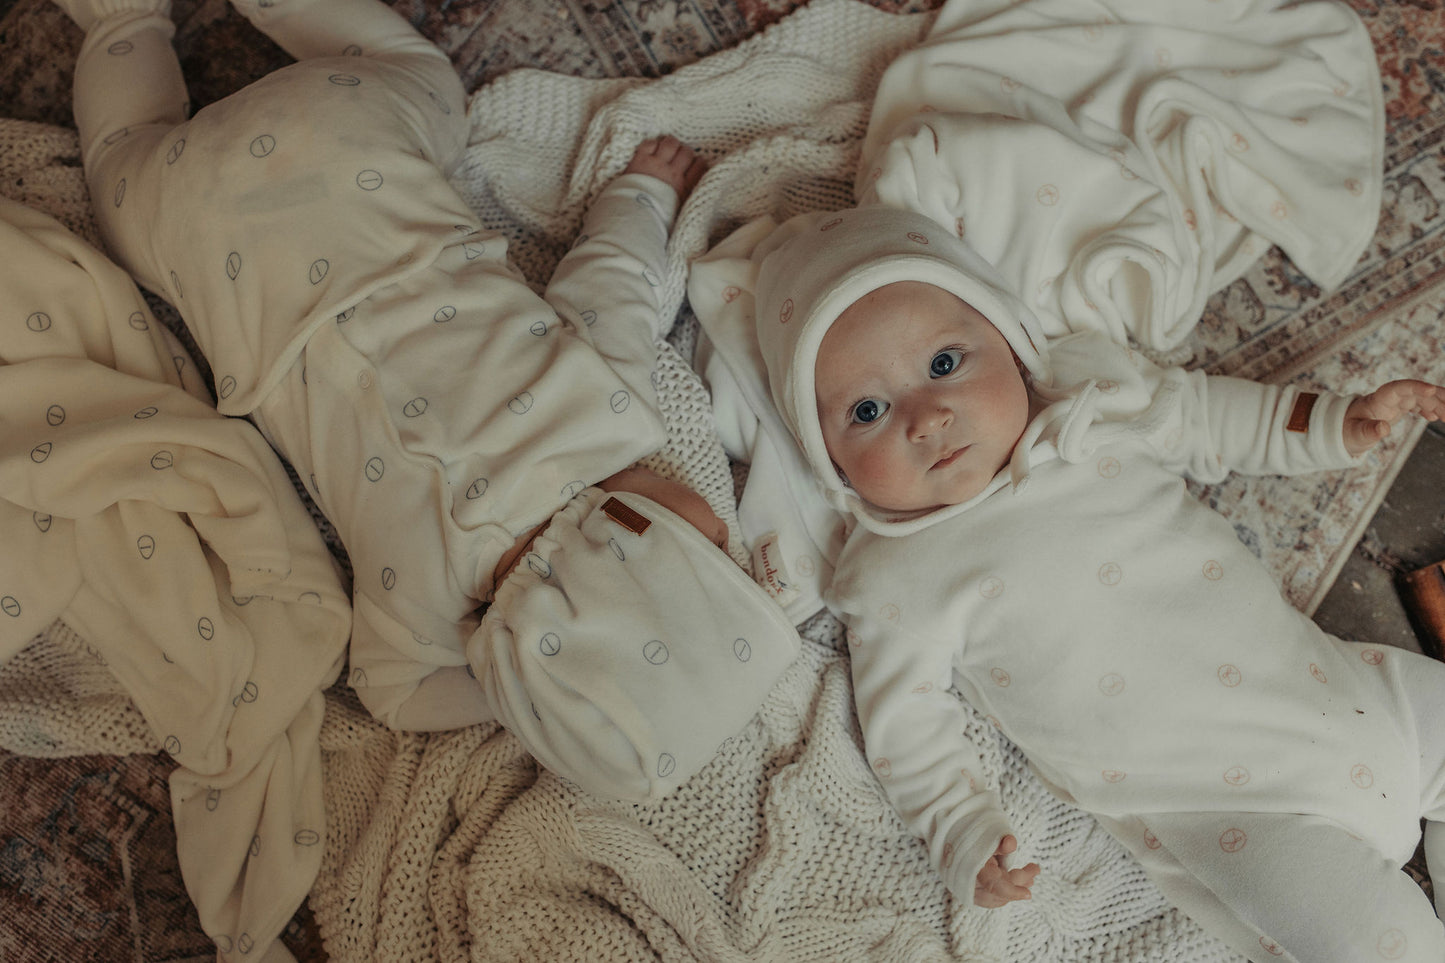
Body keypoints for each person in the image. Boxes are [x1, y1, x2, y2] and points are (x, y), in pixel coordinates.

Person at [52, 0, 799, 803]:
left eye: (714, 555)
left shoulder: (606, 414)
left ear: (640, 545)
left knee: (424, 76)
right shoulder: (420, 604)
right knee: (120, 160)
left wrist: (646, 191)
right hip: (201, 224)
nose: (725, 523)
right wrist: (510, 686)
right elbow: (393, 695)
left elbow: (612, 275)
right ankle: (120, 22)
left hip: (349, 133)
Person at [743, 203, 1445, 962]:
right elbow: (905, 730)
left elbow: (1210, 418)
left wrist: (1337, 422)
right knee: (1385, 945)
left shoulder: (1094, 394)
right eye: (867, 410)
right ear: (828, 461)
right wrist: (961, 831)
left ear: (1010, 347)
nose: (925, 417)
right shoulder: (889, 578)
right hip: (1239, 815)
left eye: (944, 364)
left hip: (1365, 699)